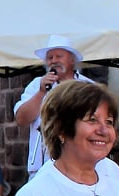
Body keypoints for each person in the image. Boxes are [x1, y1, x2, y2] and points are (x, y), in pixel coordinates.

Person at [13, 35, 83, 177]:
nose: (54, 61)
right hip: (42, 166)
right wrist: (41, 92)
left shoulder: (86, 86)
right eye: (50, 57)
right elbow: (21, 119)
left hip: (78, 163)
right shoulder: (36, 85)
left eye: (59, 56)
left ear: (71, 60)